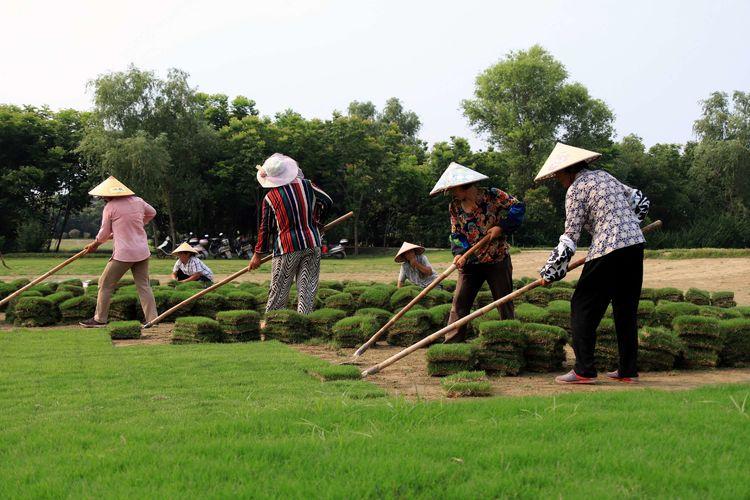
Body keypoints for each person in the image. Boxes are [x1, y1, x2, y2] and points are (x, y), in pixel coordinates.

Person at [536, 143, 650, 385]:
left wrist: (550, 272)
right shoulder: (604, 176)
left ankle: (584, 370)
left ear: (567, 171)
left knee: (582, 305)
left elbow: (570, 237)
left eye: (558, 175)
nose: (558, 180)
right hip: (634, 246)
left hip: (607, 249)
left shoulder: (576, 189)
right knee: (625, 309)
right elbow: (640, 200)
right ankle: (628, 370)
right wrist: (629, 225)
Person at [430, 162, 525, 342]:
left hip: (497, 257)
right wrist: (458, 253)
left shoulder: (493, 195)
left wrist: (501, 227)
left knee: (503, 301)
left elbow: (518, 207)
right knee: (459, 302)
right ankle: (453, 342)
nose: (451, 193)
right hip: (471, 261)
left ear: (463, 186)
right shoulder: (455, 206)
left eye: (453, 189)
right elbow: (456, 232)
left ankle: (510, 340)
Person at [248, 153, 333, 314]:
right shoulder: (308, 185)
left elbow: (265, 229)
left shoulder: (270, 197)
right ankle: (303, 325)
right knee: (307, 290)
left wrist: (257, 255)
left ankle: (273, 325)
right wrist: (318, 223)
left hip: (287, 248)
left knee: (279, 291)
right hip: (312, 243)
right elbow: (327, 201)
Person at [80, 176, 158, 328]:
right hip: (142, 251)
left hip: (125, 253)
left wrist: (95, 244)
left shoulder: (110, 207)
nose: (103, 198)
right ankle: (153, 319)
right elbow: (152, 213)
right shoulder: (138, 201)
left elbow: (103, 234)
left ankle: (100, 319)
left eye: (103, 196)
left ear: (109, 195)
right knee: (144, 285)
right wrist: (135, 224)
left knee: (105, 283)